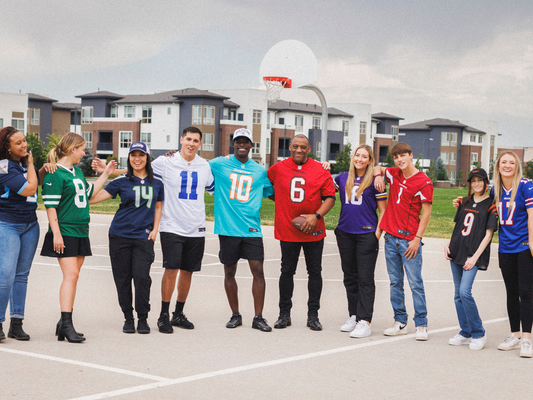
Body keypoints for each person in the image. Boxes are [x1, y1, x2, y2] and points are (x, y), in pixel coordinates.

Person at [93, 127, 214, 334]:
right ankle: (159, 315)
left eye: (195, 140)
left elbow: (213, 188)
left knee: (184, 272)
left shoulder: (205, 165)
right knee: (168, 270)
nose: (191, 143)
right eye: (188, 139)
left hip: (195, 227)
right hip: (170, 226)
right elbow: (137, 168)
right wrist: (108, 171)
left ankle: (177, 313)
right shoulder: (165, 162)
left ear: (200, 144)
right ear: (181, 140)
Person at [41, 132, 116, 343]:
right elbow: (50, 207)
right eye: (82, 149)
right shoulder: (55, 174)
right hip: (64, 232)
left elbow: (89, 194)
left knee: (74, 277)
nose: (84, 153)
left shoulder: (76, 173)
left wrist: (106, 174)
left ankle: (62, 322)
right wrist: (56, 233)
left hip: (81, 230)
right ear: (73, 149)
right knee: (71, 275)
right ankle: (66, 325)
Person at [89, 142, 164, 334]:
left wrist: (155, 230)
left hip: (143, 237)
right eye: (133, 155)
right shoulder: (122, 181)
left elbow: (157, 206)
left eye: (141, 155)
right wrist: (104, 173)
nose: (137, 159)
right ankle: (128, 317)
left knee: (141, 278)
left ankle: (143, 318)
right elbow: (93, 199)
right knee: (122, 279)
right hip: (119, 235)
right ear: (129, 158)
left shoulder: (157, 182)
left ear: (147, 157)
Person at [267, 134, 336, 331]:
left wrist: (316, 216)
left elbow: (330, 198)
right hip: (288, 229)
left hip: (313, 229)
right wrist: (281, 202)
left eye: (303, 147)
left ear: (309, 149)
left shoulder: (320, 169)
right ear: (290, 147)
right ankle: (284, 314)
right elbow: (265, 186)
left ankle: (313, 315)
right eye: (295, 146)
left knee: (314, 272)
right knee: (286, 271)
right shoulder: (278, 168)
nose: (299, 150)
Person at [209, 128, 273, 332]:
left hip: (251, 229)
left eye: (246, 141)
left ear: (251, 145)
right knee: (229, 271)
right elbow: (194, 164)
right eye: (238, 141)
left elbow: (272, 193)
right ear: (233, 144)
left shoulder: (259, 170)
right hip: (228, 228)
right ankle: (235, 314)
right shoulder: (218, 164)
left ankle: (258, 317)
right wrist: (171, 155)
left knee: (258, 271)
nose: (242, 145)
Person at [0, 126, 55, 341]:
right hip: (7, 225)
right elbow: (29, 189)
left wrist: (43, 169)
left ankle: (16, 323)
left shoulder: (22, 163)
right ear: (7, 147)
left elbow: (36, 180)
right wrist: (32, 166)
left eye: (24, 141)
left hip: (30, 224)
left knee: (22, 275)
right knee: (6, 275)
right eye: (18, 142)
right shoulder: (4, 167)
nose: (24, 145)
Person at [373, 142, 433, 340]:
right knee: (395, 282)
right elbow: (376, 167)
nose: (399, 160)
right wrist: (378, 175)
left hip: (409, 241)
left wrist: (417, 239)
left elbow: (426, 214)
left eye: (402, 156)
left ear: (411, 155)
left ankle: (421, 324)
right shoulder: (394, 173)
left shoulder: (424, 181)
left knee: (415, 282)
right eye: (396, 157)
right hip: (390, 238)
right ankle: (400, 321)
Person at [334, 144, 387, 338]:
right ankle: (354, 315)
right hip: (345, 233)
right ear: (353, 157)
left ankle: (365, 321)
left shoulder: (375, 180)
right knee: (350, 277)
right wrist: (322, 165)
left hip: (366, 234)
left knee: (365, 279)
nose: (360, 159)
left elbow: (383, 210)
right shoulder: (341, 178)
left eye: (365, 157)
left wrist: (377, 232)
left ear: (370, 160)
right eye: (358, 155)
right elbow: (323, 188)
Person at [445, 168, 497, 350]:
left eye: (480, 180)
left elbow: (489, 235)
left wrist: (475, 257)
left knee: (465, 292)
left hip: (472, 255)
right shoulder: (464, 202)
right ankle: (465, 331)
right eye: (473, 181)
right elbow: (457, 227)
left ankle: (479, 332)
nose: (477, 184)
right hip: (457, 251)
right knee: (458, 295)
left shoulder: (491, 204)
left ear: (485, 182)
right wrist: (448, 245)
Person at [491, 151, 533, 358]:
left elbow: (532, 215)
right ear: (498, 166)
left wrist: (532, 242)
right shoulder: (495, 189)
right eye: (503, 162)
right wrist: (460, 202)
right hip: (505, 248)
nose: (507, 165)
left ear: (517, 166)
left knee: (526, 292)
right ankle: (514, 334)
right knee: (511, 292)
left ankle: (526, 338)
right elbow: (480, 203)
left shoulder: (526, 185)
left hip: (524, 246)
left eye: (511, 162)